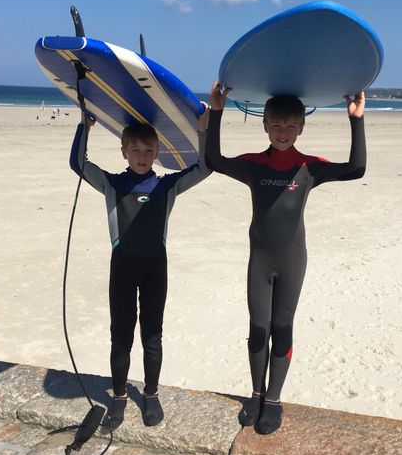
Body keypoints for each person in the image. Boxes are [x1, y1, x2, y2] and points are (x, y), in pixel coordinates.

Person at [206, 82, 366, 434]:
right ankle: (256, 393)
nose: (282, 133)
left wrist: (356, 119)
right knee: (257, 328)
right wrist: (216, 111)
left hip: (292, 260)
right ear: (264, 126)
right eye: (275, 126)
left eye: (289, 126)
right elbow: (214, 160)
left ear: (301, 128)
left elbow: (356, 168)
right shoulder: (253, 166)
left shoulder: (308, 167)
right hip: (260, 261)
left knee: (282, 327)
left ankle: (274, 399)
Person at [69, 105, 210, 429]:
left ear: (157, 152)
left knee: (152, 334)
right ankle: (119, 396)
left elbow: (204, 168)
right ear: (124, 152)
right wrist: (84, 127)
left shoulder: (166, 185)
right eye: (135, 150)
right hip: (122, 267)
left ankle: (150, 394)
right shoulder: (113, 184)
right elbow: (78, 164)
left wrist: (203, 130)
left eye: (148, 150)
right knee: (120, 336)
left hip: (154, 268)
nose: (142, 156)